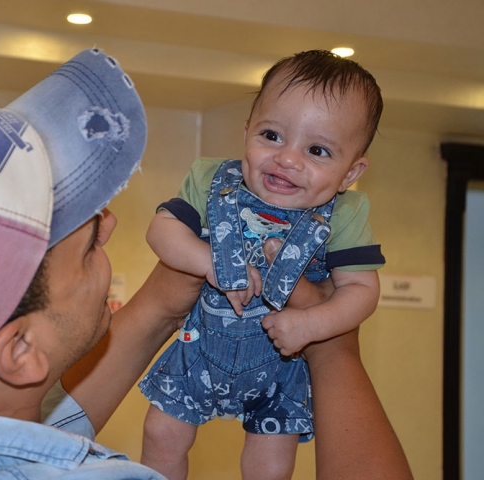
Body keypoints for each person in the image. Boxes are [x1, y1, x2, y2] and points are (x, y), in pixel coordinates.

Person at [0, 48, 413, 480]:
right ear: (20, 351)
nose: (109, 223)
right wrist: (333, 345)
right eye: (83, 238)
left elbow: (38, 425)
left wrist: (163, 301)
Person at [138, 50, 387, 479]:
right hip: (199, 347)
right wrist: (210, 263)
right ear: (247, 129)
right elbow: (161, 232)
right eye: (271, 135)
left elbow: (362, 292)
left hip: (281, 362)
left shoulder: (345, 214)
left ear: (350, 173)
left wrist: (311, 326)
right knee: (161, 434)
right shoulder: (211, 179)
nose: (288, 158)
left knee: (271, 465)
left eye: (317, 150)